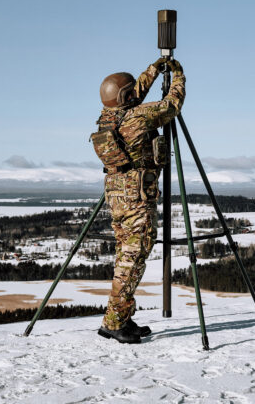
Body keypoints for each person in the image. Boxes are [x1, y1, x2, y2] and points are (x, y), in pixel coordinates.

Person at [90, 56, 185, 344]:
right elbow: (172, 105)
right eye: (131, 91)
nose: (136, 93)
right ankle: (114, 323)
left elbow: (133, 94)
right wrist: (177, 75)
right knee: (133, 259)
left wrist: (154, 70)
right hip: (137, 198)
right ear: (125, 96)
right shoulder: (139, 117)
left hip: (118, 194)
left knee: (125, 257)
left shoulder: (109, 116)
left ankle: (120, 317)